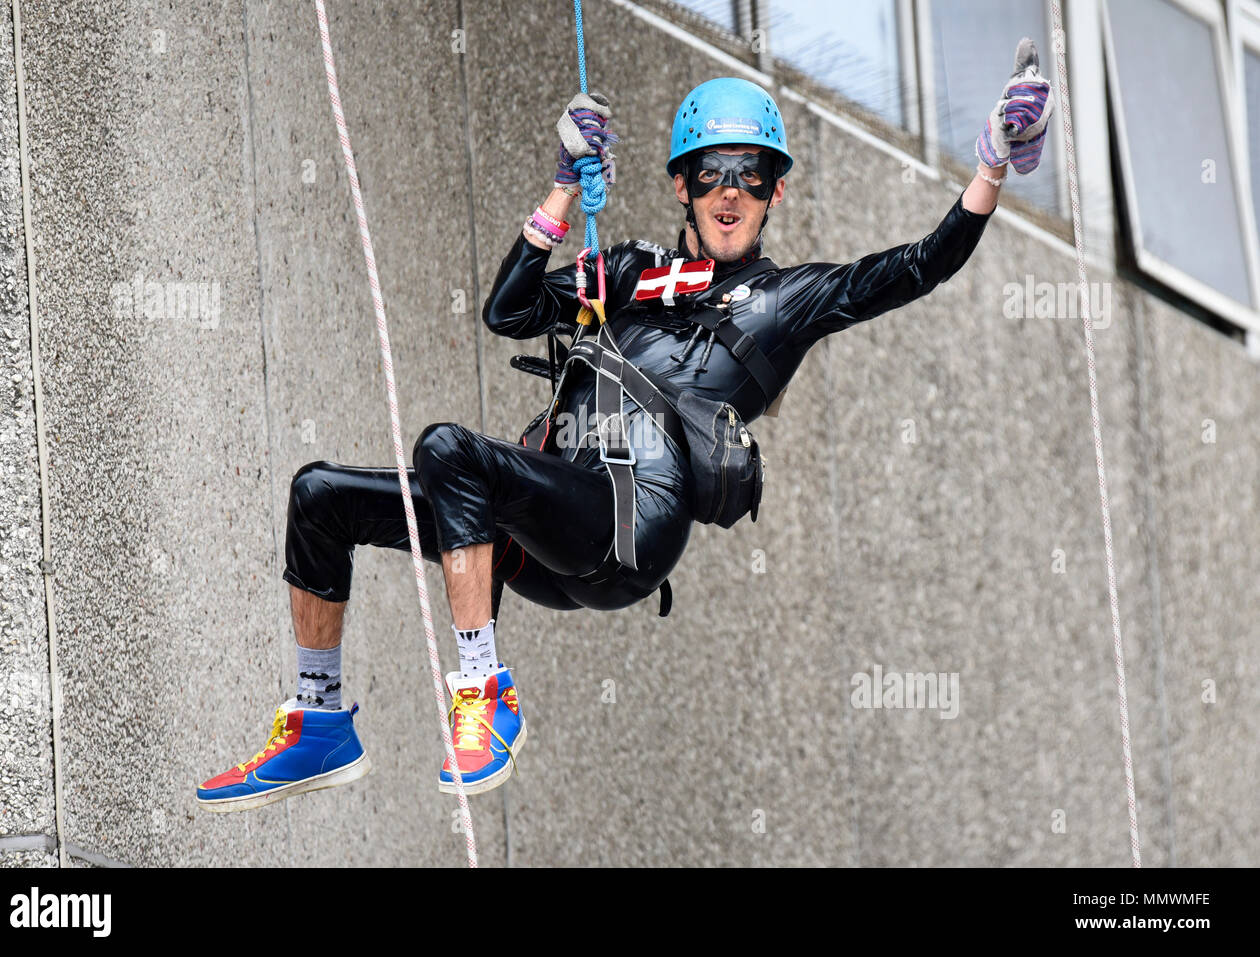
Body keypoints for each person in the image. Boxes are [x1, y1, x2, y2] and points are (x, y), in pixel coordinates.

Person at [195, 41, 1053, 811]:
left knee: (450, 450)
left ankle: (482, 695)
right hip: (548, 519)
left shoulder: (786, 301)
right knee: (320, 497)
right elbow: (510, 310)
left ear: (776, 189)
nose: (731, 191)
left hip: (636, 519)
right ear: (681, 182)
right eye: (712, 170)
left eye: (752, 173)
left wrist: (991, 168)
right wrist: (564, 187)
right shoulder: (634, 270)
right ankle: (318, 723)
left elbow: (915, 268)